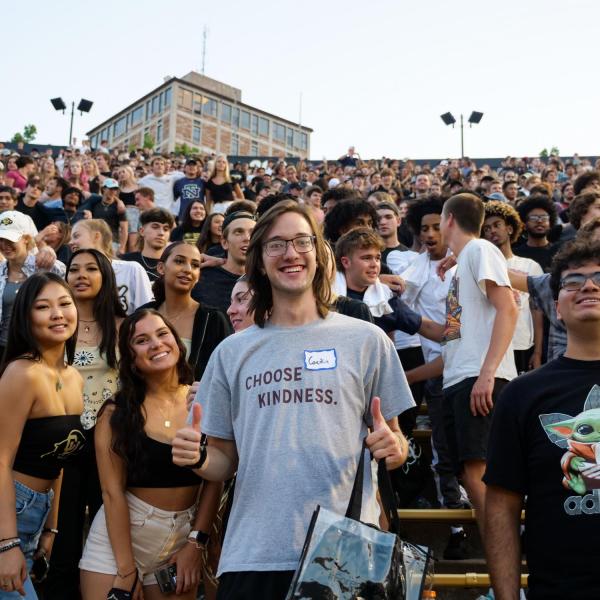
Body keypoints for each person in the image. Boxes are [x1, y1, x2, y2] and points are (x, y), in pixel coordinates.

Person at [172, 200, 414, 600]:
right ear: (260, 261)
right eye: (276, 244)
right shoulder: (231, 353)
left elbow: (398, 443)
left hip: (344, 556)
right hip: (252, 555)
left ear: (319, 253)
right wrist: (198, 457)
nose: (290, 254)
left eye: (301, 241)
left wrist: (396, 446)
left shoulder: (365, 340)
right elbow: (224, 462)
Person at [484, 238, 600, 600]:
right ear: (556, 309)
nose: (589, 286)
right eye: (573, 281)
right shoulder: (523, 395)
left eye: (599, 278)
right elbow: (502, 505)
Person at [79, 310, 222, 600]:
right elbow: (112, 494)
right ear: (130, 358)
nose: (156, 344)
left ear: (177, 342)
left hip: (180, 542)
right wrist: (126, 569)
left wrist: (196, 544)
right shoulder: (115, 412)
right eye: (142, 340)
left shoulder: (203, 399)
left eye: (162, 334)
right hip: (117, 545)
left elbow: (214, 479)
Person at [44, 249, 126, 600]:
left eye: (91, 268)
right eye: (74, 268)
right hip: (64, 441)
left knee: (109, 527)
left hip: (111, 441)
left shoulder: (122, 325)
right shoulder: (58, 324)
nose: (81, 274)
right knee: (63, 532)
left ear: (105, 275)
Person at [0, 273, 84, 599]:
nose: (58, 314)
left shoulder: (73, 377)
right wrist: (6, 544)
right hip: (10, 513)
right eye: (43, 307)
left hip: (36, 515)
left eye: (65, 304)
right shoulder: (23, 373)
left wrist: (51, 527)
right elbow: (1, 459)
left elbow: (59, 458)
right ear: (26, 316)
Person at [439, 192, 518, 535]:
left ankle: (508, 576)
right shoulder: (462, 263)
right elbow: (452, 335)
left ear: (449, 220)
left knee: (479, 475)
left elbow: (508, 308)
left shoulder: (479, 249)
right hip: (461, 376)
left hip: (480, 376)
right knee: (470, 476)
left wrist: (486, 374)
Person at [140, 242, 231, 380]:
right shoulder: (142, 315)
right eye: (179, 261)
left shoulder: (213, 319)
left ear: (199, 275)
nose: (188, 269)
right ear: (161, 267)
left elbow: (225, 373)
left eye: (195, 265)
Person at [482, 201, 544, 373]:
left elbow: (536, 311)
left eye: (497, 225)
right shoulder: (482, 268)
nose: (492, 231)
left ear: (509, 229)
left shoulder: (530, 266)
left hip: (523, 344)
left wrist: (537, 352)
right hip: (492, 346)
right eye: (487, 228)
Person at [0, 211, 66, 357]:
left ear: (26, 239)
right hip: (4, 349)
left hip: (39, 349)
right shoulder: (1, 271)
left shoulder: (48, 266)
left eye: (10, 239)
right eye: (1, 240)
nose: (5, 245)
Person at [69, 219, 153, 314]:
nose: (70, 242)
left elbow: (147, 312)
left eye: (76, 236)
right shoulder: (72, 275)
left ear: (96, 236)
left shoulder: (131, 270)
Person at [192, 211, 256, 312]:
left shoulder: (267, 279)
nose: (247, 238)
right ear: (224, 242)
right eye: (238, 232)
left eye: (253, 233)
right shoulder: (200, 278)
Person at [121, 207, 174, 282]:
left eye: (165, 229)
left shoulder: (172, 266)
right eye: (155, 227)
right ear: (142, 231)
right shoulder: (125, 262)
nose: (161, 233)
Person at [81, 178, 128, 256]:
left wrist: (122, 247)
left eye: (115, 189)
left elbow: (124, 228)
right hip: (95, 240)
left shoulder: (119, 207)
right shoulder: (95, 202)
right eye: (110, 189)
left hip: (112, 242)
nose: (113, 191)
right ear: (104, 189)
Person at [513, 195, 559, 272]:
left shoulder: (559, 252)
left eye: (544, 218)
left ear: (550, 223)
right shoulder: (516, 255)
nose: (539, 221)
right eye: (533, 218)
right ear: (524, 224)